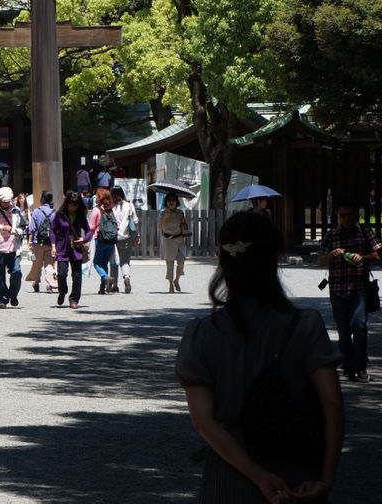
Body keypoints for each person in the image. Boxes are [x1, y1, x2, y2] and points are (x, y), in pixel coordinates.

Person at [176, 211, 344, 504]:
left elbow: (204, 422)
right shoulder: (307, 326)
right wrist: (326, 479)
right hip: (297, 473)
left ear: (223, 261)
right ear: (272, 260)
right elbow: (333, 406)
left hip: (229, 477)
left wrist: (258, 476)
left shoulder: (201, 333)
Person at [318, 196, 381, 383]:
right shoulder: (331, 234)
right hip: (337, 289)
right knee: (343, 330)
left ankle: (361, 366)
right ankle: (347, 367)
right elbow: (320, 260)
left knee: (359, 326)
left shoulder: (364, 231)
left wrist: (362, 257)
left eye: (348, 215)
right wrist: (331, 254)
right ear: (338, 215)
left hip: (359, 288)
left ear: (354, 215)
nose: (345, 218)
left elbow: (377, 254)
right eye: (342, 215)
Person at [0, 187, 27, 309]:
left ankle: (13, 294)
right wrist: (1, 227)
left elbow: (24, 228)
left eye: (8, 201)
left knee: (16, 272)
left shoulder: (17, 211)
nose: (6, 204)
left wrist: (15, 230)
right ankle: (2, 299)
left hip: (13, 247)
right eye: (4, 202)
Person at [51, 191, 91, 309]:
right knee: (62, 274)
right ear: (67, 203)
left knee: (77, 276)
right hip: (62, 249)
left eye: (76, 204)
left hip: (76, 249)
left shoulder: (80, 216)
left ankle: (74, 299)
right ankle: (62, 291)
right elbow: (52, 230)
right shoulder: (59, 215)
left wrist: (84, 239)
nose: (73, 207)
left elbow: (89, 231)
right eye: (72, 204)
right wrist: (53, 245)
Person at [109, 186, 141, 294]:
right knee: (125, 261)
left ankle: (114, 285)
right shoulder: (129, 205)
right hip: (126, 237)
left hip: (113, 238)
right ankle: (126, 277)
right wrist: (137, 236)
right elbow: (135, 222)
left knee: (114, 262)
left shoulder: (111, 207)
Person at [25, 192, 57, 293]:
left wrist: (30, 241)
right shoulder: (54, 213)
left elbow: (32, 229)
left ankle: (36, 283)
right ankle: (50, 284)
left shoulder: (36, 211)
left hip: (37, 242)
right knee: (49, 264)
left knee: (37, 264)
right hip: (50, 242)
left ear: (42, 199)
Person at [159, 192, 190, 293]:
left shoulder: (180, 212)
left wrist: (185, 227)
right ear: (166, 202)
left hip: (179, 240)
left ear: (176, 202)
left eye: (173, 200)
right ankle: (170, 284)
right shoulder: (163, 213)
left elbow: (184, 224)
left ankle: (176, 280)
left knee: (181, 262)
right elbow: (160, 227)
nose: (171, 202)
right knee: (170, 265)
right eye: (169, 200)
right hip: (168, 240)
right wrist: (166, 217)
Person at [89, 188, 118, 295]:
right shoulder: (111, 210)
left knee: (96, 263)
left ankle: (105, 278)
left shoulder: (97, 210)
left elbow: (91, 227)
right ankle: (103, 287)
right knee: (104, 263)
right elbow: (117, 225)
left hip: (99, 240)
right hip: (111, 241)